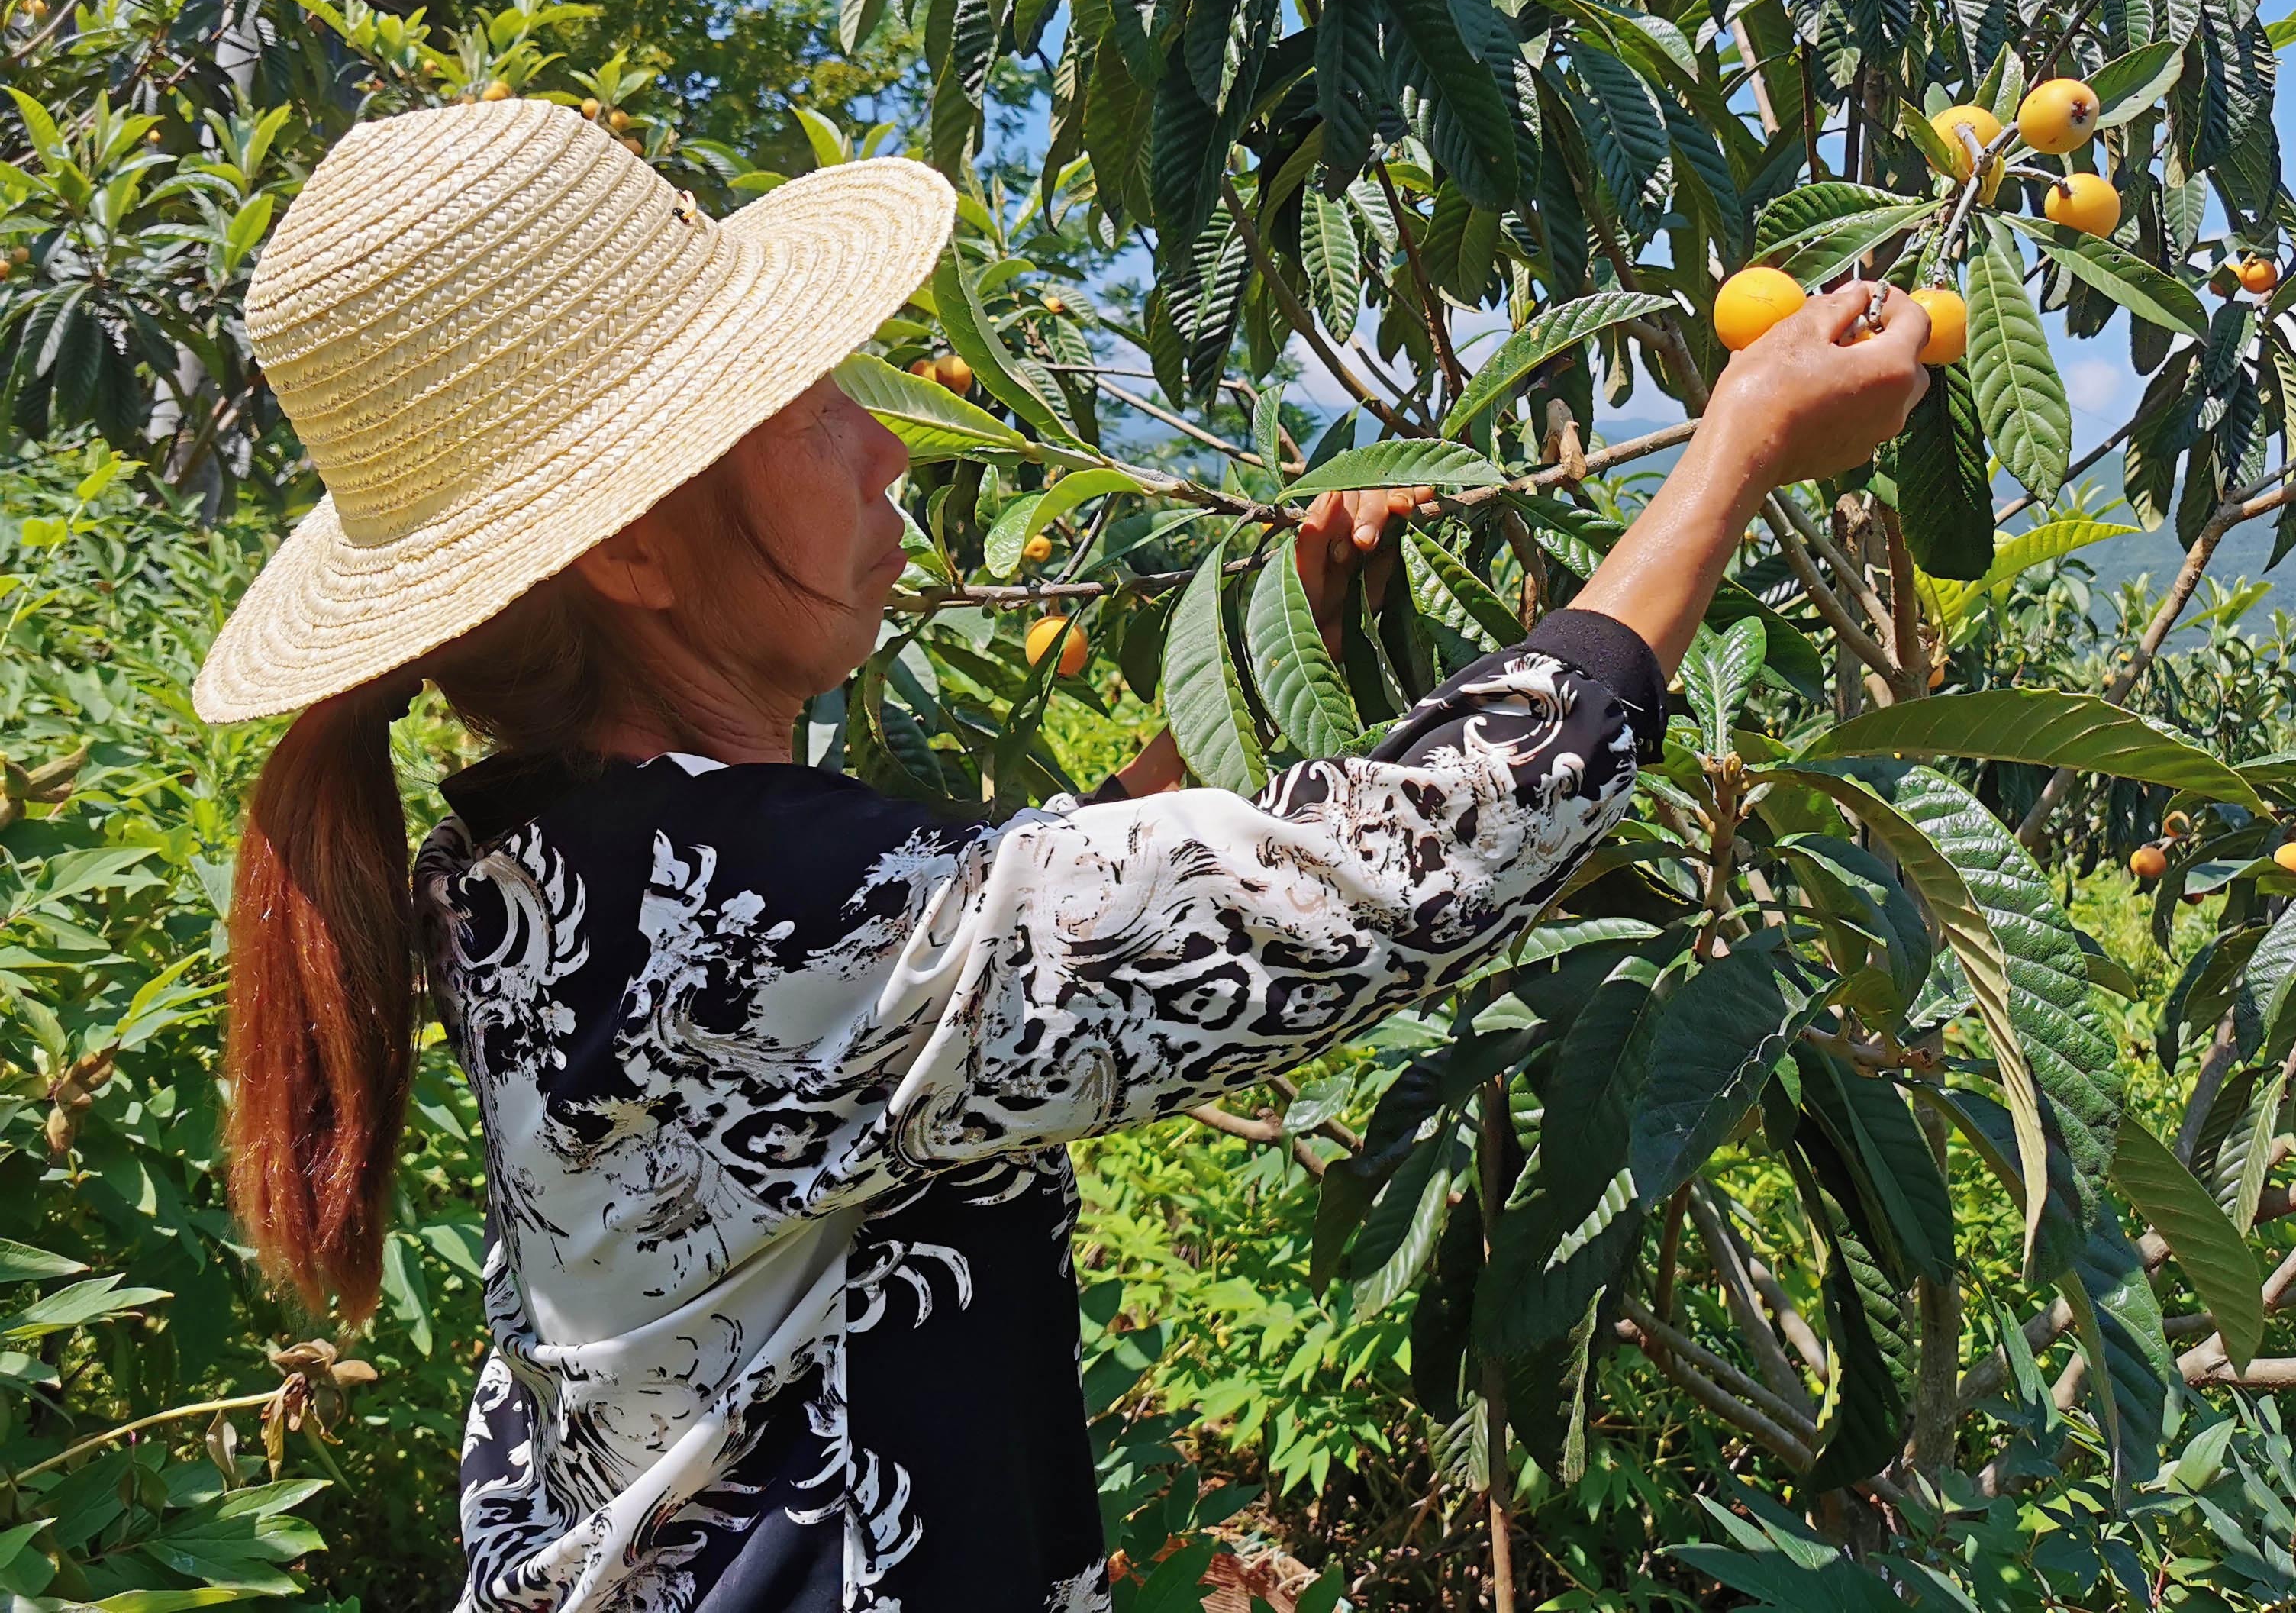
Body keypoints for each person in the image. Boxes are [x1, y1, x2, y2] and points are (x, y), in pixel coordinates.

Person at [195, 100, 1932, 1613]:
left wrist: (1279, 631)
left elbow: (1002, 911)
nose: (888, 449)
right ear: (641, 549)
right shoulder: (771, 908)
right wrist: (1735, 458)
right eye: (812, 414)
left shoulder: (539, 863)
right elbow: (1392, 878)